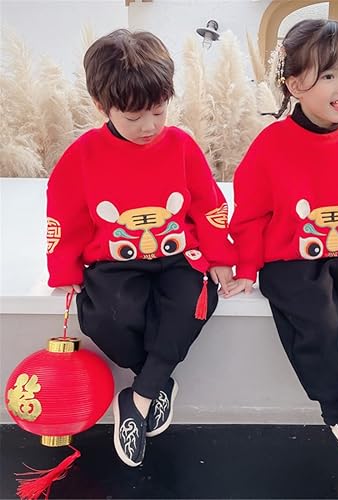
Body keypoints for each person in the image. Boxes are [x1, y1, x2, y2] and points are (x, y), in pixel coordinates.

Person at [226, 19, 338, 492]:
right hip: (290, 261)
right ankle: (336, 413)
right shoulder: (271, 145)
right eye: (328, 75)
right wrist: (246, 267)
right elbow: (249, 213)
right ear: (294, 85)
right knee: (317, 319)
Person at [46, 29, 235, 468]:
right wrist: (65, 268)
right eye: (134, 117)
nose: (149, 126)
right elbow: (64, 215)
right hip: (114, 261)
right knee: (107, 317)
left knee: (192, 306)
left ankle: (139, 397)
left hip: (178, 257)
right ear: (101, 106)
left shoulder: (182, 146)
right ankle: (157, 382)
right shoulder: (83, 155)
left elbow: (209, 205)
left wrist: (222, 257)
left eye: (158, 111)